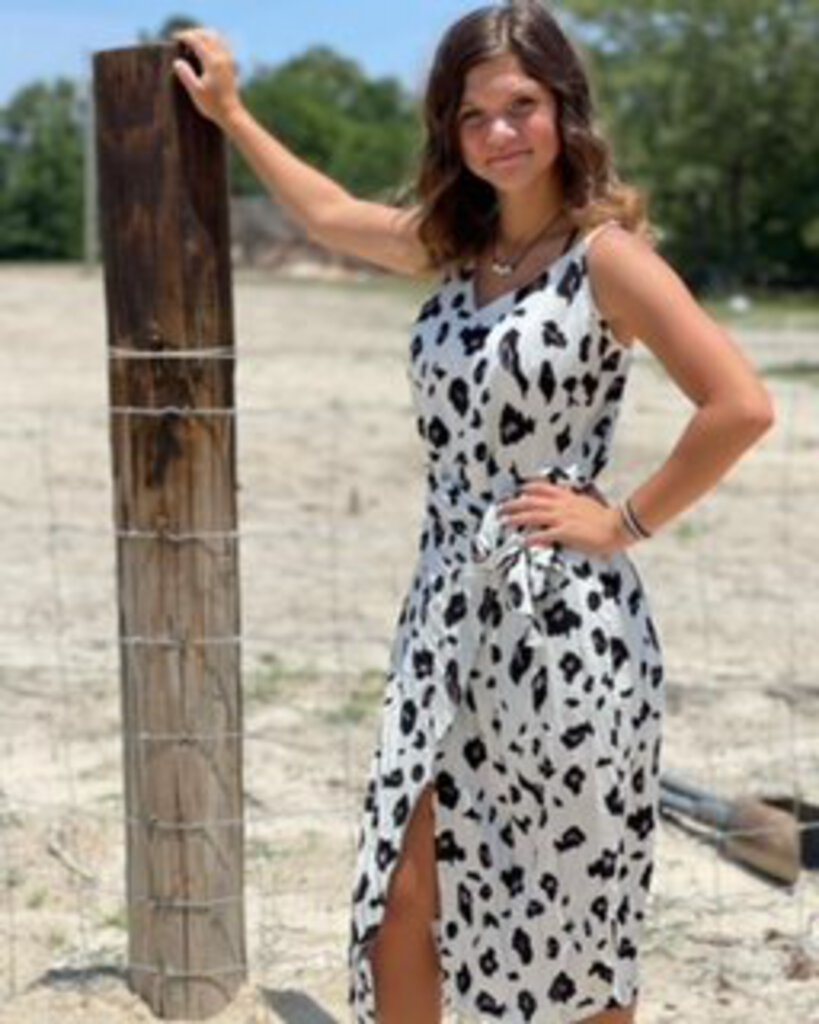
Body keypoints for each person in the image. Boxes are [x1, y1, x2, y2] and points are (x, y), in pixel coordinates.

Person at [174, 3, 775, 1022]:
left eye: (521, 106)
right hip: (443, 624)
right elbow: (324, 213)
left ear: (564, 112)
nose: (499, 132)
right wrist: (233, 114)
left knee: (570, 913)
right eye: (472, 115)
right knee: (407, 893)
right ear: (450, 133)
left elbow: (741, 404)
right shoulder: (456, 249)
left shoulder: (606, 259)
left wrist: (622, 522)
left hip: (566, 635)